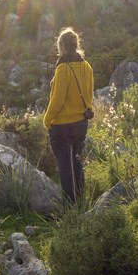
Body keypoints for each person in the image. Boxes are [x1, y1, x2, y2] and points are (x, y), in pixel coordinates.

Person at [43, 27, 94, 204]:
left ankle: (70, 208)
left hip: (61, 126)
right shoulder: (86, 66)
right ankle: (80, 202)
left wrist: (46, 120)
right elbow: (89, 94)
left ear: (62, 46)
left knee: (65, 168)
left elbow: (57, 100)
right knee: (77, 163)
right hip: (81, 123)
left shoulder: (63, 68)